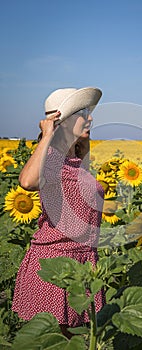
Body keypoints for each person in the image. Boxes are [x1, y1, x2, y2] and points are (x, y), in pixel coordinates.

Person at [12, 87, 105, 338]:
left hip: (83, 261)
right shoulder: (51, 157)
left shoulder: (71, 159)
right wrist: (47, 135)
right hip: (57, 263)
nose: (91, 118)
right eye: (83, 112)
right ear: (62, 121)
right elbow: (27, 182)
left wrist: (80, 145)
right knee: (57, 340)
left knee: (76, 338)